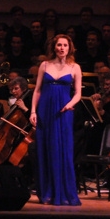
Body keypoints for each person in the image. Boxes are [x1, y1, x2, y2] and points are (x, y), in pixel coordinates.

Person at [29, 34, 82, 206]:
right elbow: (37, 90)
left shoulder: (75, 67)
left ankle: (64, 193)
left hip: (63, 112)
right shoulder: (44, 65)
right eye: (59, 45)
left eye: (65, 45)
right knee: (46, 150)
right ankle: (48, 193)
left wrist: (69, 104)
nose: (61, 48)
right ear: (54, 47)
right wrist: (33, 112)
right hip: (45, 110)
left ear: (69, 48)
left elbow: (78, 93)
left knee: (63, 150)